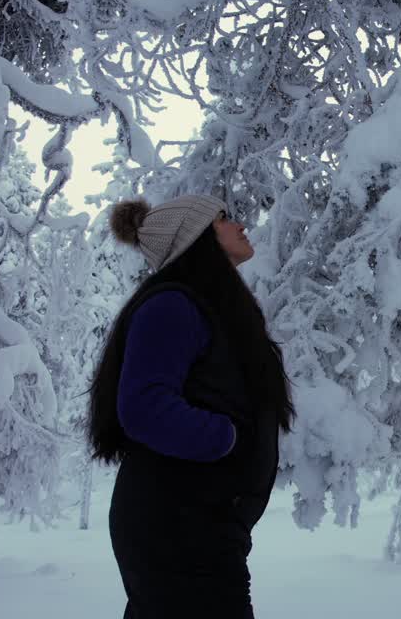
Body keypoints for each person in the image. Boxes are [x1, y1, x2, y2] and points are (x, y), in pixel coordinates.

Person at [87, 194, 296, 619]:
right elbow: (143, 406)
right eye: (222, 218)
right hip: (177, 525)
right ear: (195, 238)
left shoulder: (207, 308)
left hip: (200, 524)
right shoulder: (173, 304)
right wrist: (227, 438)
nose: (239, 224)